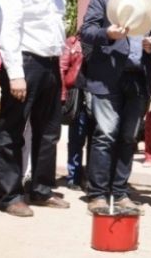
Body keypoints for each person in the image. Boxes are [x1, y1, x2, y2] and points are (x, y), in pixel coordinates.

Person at [81, 0, 151, 213]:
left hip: (138, 79)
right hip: (107, 78)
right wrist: (107, 33)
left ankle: (120, 191)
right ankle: (97, 195)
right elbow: (86, 31)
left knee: (128, 138)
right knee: (105, 135)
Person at [0, 0, 69, 216]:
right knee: (12, 130)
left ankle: (41, 189)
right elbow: (8, 28)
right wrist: (15, 73)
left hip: (50, 63)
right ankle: (10, 196)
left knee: (49, 131)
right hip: (24, 62)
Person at [62, 34, 89, 190]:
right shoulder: (74, 43)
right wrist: (63, 94)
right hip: (78, 94)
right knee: (76, 138)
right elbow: (63, 66)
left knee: (95, 140)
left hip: (96, 94)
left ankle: (90, 177)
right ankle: (73, 176)